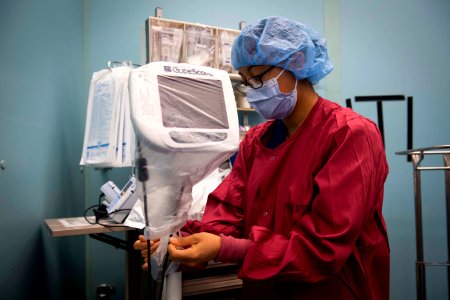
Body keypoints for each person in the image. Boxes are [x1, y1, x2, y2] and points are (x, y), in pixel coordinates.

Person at [134, 16, 389, 300]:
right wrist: (179, 241)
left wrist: (223, 248)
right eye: (245, 82)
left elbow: (322, 249)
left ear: (297, 62)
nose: (253, 89)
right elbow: (228, 211)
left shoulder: (350, 135)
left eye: (258, 77)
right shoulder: (257, 141)